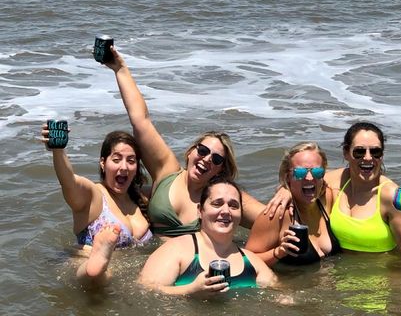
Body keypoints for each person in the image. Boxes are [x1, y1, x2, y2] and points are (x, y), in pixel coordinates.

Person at [103, 46, 290, 237]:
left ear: (220, 170)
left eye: (216, 159)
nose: (207, 159)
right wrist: (120, 69)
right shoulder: (167, 172)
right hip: (153, 260)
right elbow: (141, 120)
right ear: (190, 152)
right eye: (202, 150)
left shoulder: (224, 197)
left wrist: (287, 191)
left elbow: (272, 219)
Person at [42, 125, 153, 285]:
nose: (124, 167)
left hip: (123, 273)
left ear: (136, 167)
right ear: (103, 163)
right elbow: (69, 181)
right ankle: (98, 260)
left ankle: (100, 262)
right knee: (97, 274)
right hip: (83, 262)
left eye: (131, 161)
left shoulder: (140, 197)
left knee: (110, 277)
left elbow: (169, 182)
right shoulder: (93, 195)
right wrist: (58, 150)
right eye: (116, 159)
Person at [138, 177, 277, 295]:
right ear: (200, 211)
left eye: (234, 206)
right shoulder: (176, 249)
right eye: (217, 204)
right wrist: (191, 289)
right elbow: (146, 290)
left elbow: (279, 293)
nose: (226, 211)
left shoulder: (252, 262)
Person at [326, 121, 401, 264]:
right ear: (346, 153)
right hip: (342, 279)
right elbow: (304, 179)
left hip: (381, 280)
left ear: (382, 155)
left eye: (375, 152)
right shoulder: (339, 180)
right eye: (359, 151)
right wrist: (286, 190)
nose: (367, 157)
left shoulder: (389, 195)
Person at [246, 142, 340, 266]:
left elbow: (353, 170)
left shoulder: (327, 198)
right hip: (290, 283)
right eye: (300, 173)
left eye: (317, 172)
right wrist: (278, 252)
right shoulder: (277, 214)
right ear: (288, 176)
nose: (310, 178)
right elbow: (246, 261)